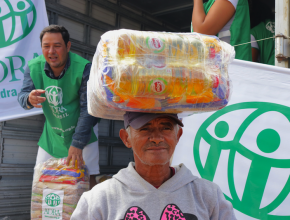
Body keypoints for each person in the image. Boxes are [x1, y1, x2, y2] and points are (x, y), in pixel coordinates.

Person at [71, 112, 237, 219]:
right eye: (145, 128)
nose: (157, 138)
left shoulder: (208, 196)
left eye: (166, 128)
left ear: (178, 135)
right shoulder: (99, 200)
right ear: (126, 138)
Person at [18, 25, 100, 188]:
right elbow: (22, 96)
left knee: (86, 180)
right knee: (40, 182)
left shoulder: (84, 68)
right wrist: (29, 99)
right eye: (46, 46)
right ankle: (43, 214)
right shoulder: (34, 67)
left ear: (68, 46)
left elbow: (89, 110)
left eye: (57, 46)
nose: (51, 51)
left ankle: (90, 214)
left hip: (82, 132)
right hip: (52, 135)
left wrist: (77, 143)